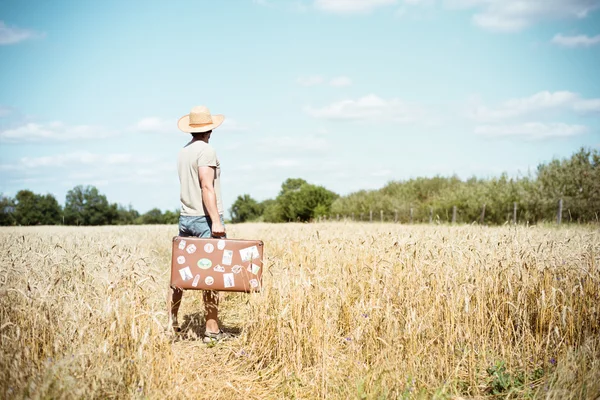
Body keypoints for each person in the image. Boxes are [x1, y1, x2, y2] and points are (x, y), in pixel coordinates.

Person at [167, 105, 228, 343]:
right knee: (211, 275)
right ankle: (212, 331)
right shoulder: (207, 151)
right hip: (204, 219)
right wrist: (215, 221)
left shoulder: (184, 151)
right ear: (210, 128)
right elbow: (206, 186)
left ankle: (171, 323)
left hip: (185, 217)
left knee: (180, 275)